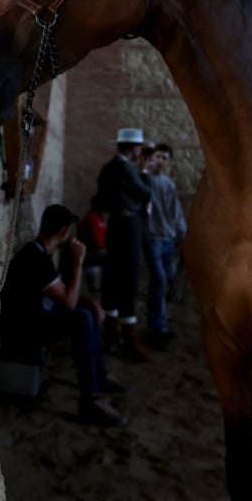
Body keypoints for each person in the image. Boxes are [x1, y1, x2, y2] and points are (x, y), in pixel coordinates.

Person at [0, 204, 129, 426]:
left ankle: (100, 375)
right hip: (19, 328)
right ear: (63, 232)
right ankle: (90, 398)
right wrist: (78, 261)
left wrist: (90, 304)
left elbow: (61, 292)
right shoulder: (35, 257)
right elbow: (68, 301)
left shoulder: (40, 251)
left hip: (34, 316)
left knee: (86, 312)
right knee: (81, 319)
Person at [94, 127, 153, 362]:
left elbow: (100, 199)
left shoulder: (107, 168)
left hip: (113, 225)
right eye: (139, 146)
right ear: (133, 148)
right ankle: (129, 341)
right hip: (129, 227)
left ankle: (111, 336)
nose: (140, 150)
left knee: (112, 278)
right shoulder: (127, 168)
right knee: (129, 279)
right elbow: (145, 193)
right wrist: (145, 173)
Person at [140, 142, 187, 350]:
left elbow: (175, 212)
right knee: (158, 280)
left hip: (168, 240)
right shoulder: (143, 180)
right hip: (152, 239)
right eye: (158, 156)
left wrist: (182, 233)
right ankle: (156, 327)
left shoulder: (168, 184)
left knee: (164, 282)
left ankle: (160, 325)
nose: (160, 160)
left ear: (169, 162)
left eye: (164, 158)